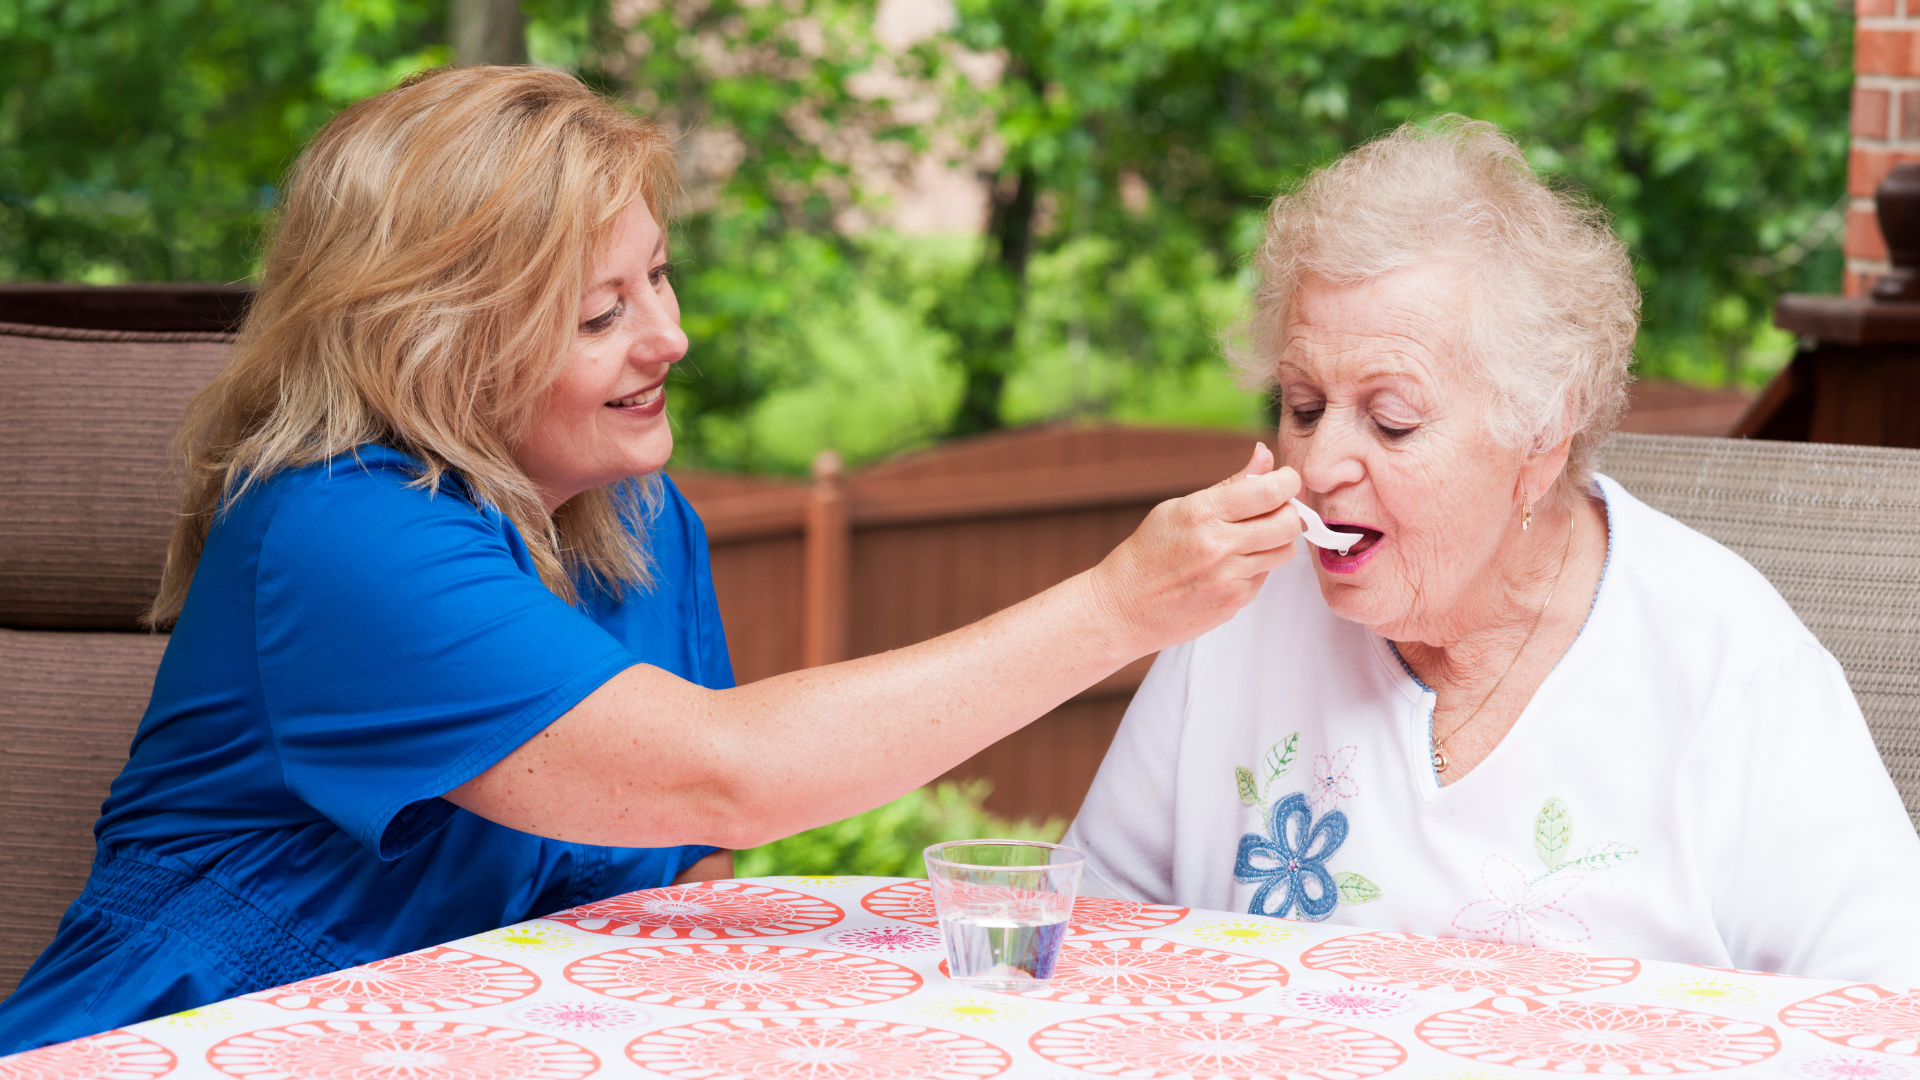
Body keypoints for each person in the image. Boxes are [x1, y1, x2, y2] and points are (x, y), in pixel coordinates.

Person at [0, 67, 1305, 1050]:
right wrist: (1121, 606)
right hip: (190, 1040)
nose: (670, 339)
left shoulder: (634, 515)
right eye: (601, 314)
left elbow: (683, 866)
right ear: (435, 344)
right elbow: (726, 779)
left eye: (661, 280)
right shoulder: (340, 536)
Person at [1063, 118, 1920, 982]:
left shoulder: (1728, 669)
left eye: (1393, 420)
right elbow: (1088, 934)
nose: (1318, 467)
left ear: (1542, 433)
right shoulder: (1235, 607)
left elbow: (1888, 1011)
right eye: (1304, 405)